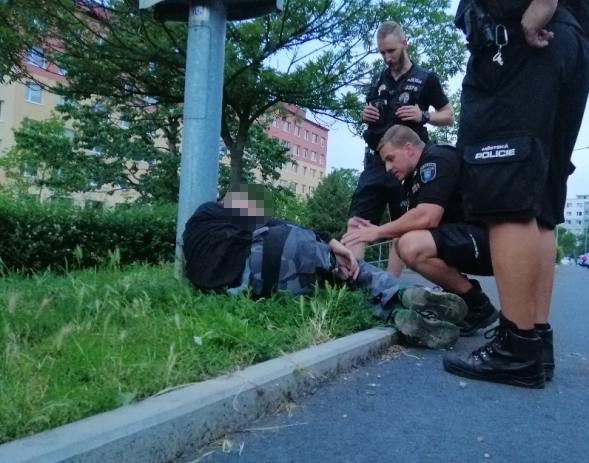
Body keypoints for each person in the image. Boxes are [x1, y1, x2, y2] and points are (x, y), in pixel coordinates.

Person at [443, 0, 589, 388]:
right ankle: (533, 340)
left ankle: (516, 349)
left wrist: (543, 4)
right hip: (574, 45)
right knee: (540, 203)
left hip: (522, 38)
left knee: (506, 193)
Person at [182, 185, 468, 349]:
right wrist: (331, 241)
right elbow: (278, 225)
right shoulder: (224, 211)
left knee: (331, 290)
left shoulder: (199, 225)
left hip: (248, 285)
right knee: (351, 273)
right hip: (281, 249)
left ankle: (395, 314)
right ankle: (405, 293)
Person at [342, 125, 499, 336]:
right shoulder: (411, 180)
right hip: (467, 240)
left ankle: (477, 305)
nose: (387, 168)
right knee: (404, 242)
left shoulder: (437, 158)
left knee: (411, 245)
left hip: (491, 242)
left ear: (408, 148)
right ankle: (464, 299)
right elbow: (401, 235)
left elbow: (427, 216)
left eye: (390, 158)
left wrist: (377, 231)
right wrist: (390, 287)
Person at [347, 20, 454, 276]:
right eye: (382, 52)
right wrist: (366, 113)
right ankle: (351, 285)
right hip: (375, 161)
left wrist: (423, 116)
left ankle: (390, 289)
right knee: (356, 221)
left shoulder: (425, 78)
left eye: (391, 51)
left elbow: (449, 115)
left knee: (401, 226)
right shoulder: (377, 81)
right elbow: (371, 113)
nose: (386, 57)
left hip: (408, 166)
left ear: (405, 44)